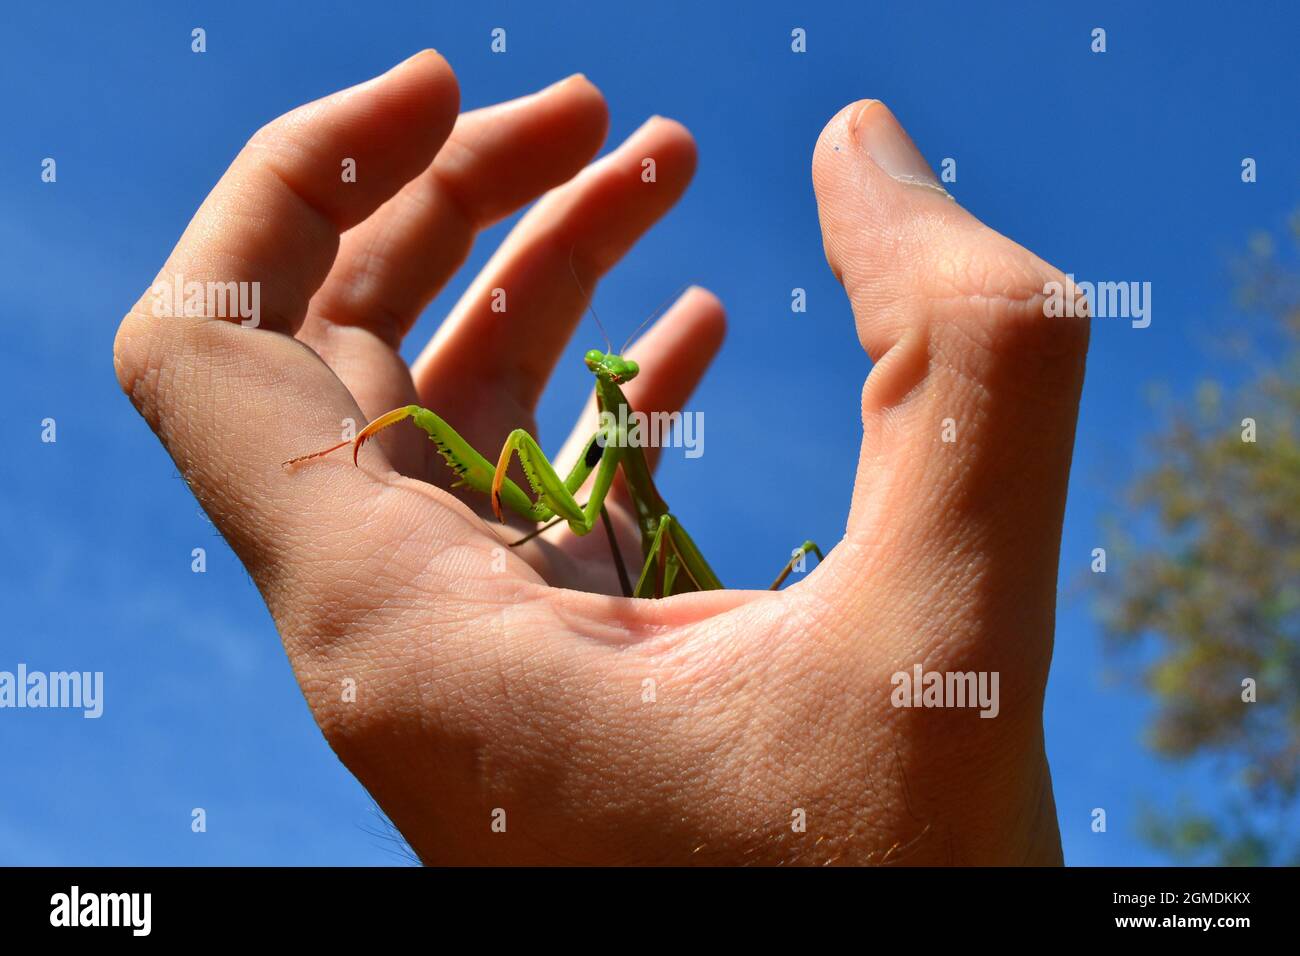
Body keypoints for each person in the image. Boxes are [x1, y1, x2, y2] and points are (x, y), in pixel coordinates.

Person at [113, 51, 1087, 865]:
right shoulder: (588, 477)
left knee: (780, 553)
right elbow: (574, 508)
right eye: (602, 367)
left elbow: (584, 516)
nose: (603, 369)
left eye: (604, 369)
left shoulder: (617, 484)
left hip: (678, 579)